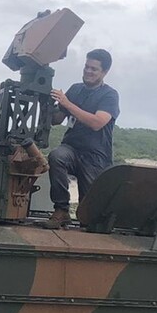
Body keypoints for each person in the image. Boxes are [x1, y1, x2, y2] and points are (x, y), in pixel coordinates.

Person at [41, 49, 119, 229]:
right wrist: (48, 103)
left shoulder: (109, 95)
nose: (88, 71)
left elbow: (97, 122)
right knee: (57, 156)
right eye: (86, 67)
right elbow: (57, 119)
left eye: (94, 69)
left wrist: (68, 103)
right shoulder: (75, 89)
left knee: (88, 216)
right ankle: (61, 210)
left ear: (104, 72)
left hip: (95, 157)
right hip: (72, 149)